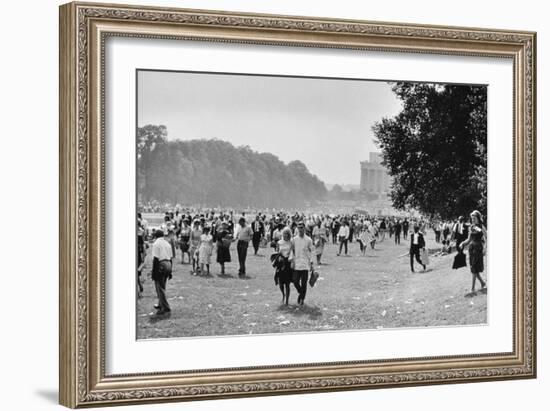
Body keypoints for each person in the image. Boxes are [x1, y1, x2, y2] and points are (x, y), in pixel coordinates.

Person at [459, 210, 487, 296]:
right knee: (473, 269)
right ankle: (482, 283)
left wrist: (485, 249)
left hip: (478, 249)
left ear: (478, 217)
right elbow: (469, 239)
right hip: (471, 249)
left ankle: (472, 288)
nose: (473, 219)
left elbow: (487, 238)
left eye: (474, 218)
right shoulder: (471, 227)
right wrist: (462, 243)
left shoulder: (482, 226)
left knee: (474, 268)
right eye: (472, 218)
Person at [290, 221, 314, 305]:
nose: (300, 229)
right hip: (296, 264)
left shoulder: (309, 240)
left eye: (302, 227)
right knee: (295, 281)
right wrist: (292, 260)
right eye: (299, 227)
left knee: (304, 283)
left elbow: (312, 251)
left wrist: (311, 263)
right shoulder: (294, 239)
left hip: (305, 264)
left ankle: (302, 299)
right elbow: (292, 251)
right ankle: (301, 293)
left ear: (304, 228)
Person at [151, 229, 173, 315]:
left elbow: (156, 259)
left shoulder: (156, 244)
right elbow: (170, 258)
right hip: (168, 264)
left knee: (159, 288)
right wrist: (170, 272)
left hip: (161, 264)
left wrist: (154, 272)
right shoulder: (167, 243)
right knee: (163, 286)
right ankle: (160, 304)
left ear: (156, 236)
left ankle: (165, 307)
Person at [274, 227, 293, 305]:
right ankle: (283, 295)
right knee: (281, 282)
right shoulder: (279, 242)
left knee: (287, 283)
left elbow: (292, 252)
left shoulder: (291, 243)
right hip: (281, 263)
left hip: (288, 263)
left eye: (287, 234)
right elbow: (277, 252)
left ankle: (287, 300)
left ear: (289, 235)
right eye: (284, 234)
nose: (285, 235)